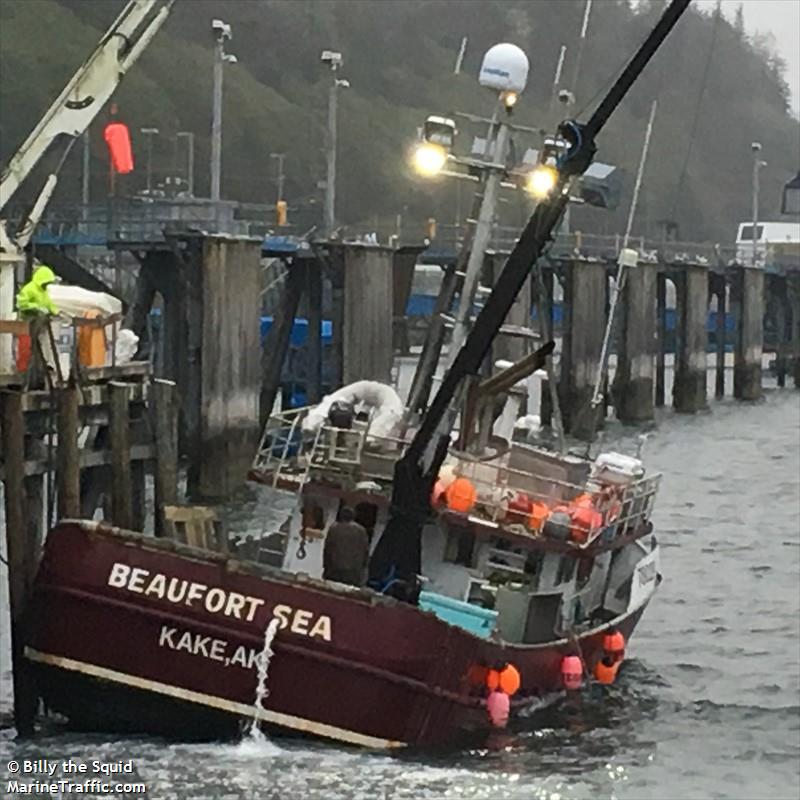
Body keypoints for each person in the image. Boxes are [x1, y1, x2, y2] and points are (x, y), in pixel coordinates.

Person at [323, 506, 369, 587]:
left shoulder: (334, 529)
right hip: (353, 572)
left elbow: (327, 550)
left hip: (334, 570)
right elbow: (365, 552)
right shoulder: (361, 531)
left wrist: (326, 567)